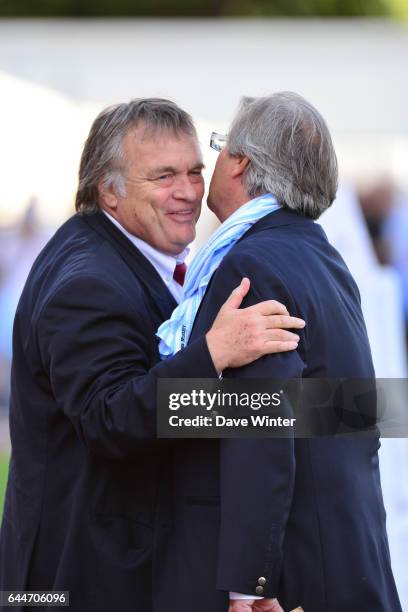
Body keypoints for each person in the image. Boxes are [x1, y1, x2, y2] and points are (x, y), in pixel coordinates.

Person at [0, 99, 305, 612]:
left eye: (193, 171)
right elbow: (109, 418)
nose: (188, 192)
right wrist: (213, 353)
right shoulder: (89, 282)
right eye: (163, 176)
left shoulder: (120, 255)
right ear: (110, 192)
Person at [160, 93, 402, 611]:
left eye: (220, 146)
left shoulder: (253, 264)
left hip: (298, 573)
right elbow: (323, 411)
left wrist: (251, 583)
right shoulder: (319, 256)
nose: (214, 162)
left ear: (242, 162)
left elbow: (261, 426)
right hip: (343, 550)